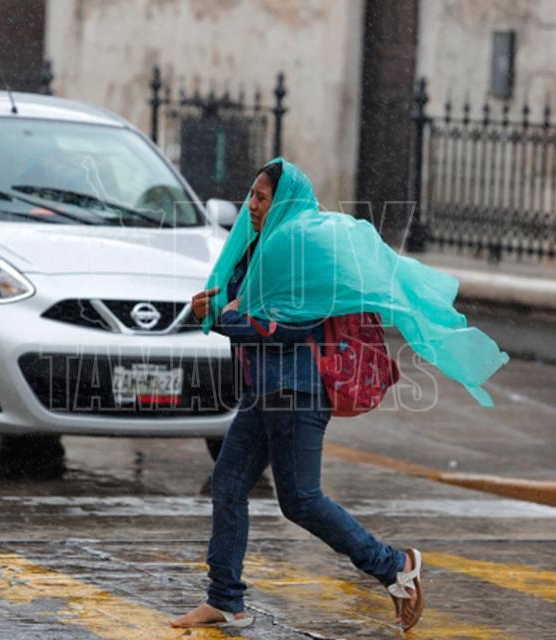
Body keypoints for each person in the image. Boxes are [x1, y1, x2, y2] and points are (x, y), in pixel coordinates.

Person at [171, 160, 432, 631]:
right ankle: (225, 599)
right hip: (266, 389)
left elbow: (286, 326)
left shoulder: (299, 252)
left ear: (283, 202)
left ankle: (395, 565)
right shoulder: (261, 247)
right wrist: (209, 309)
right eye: (251, 196)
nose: (251, 206)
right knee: (229, 484)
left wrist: (227, 319)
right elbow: (242, 307)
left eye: (261, 197)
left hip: (296, 389)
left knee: (301, 500)